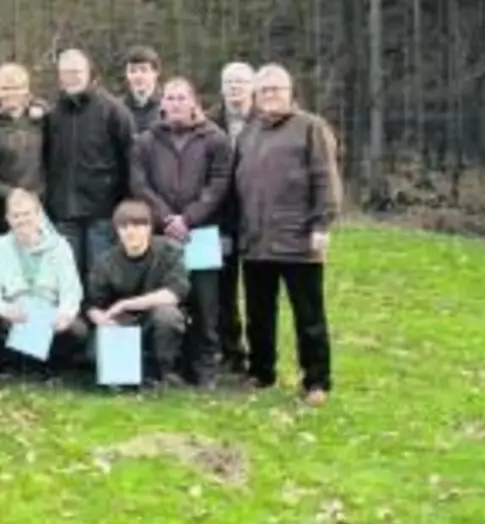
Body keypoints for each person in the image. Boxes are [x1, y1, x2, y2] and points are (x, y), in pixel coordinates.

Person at [235, 64, 342, 406]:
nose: (270, 96)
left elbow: (325, 178)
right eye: (264, 90)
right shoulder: (249, 133)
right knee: (258, 314)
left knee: (308, 316)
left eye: (276, 89)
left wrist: (322, 225)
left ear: (290, 91)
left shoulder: (311, 128)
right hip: (256, 241)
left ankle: (316, 381)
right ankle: (261, 372)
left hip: (298, 240)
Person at [128, 77, 234, 386]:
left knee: (205, 303)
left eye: (181, 98)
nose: (174, 104)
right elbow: (139, 184)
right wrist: (165, 218)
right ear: (162, 104)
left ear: (194, 103)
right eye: (169, 99)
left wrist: (188, 218)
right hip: (160, 234)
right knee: (164, 300)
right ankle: (167, 366)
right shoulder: (146, 141)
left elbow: (218, 185)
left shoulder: (215, 139)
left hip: (201, 232)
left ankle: (204, 368)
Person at [42, 47, 134, 288]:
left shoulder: (114, 111)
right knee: (68, 277)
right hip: (64, 212)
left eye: (76, 71)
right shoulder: (53, 114)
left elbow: (130, 160)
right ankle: (75, 325)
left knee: (101, 276)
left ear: (89, 73)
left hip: (102, 213)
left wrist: (122, 203)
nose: (70, 77)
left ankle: (102, 323)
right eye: (65, 72)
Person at [0, 189, 86, 379]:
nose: (22, 220)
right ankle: (10, 365)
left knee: (78, 330)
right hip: (15, 315)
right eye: (16, 216)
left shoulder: (60, 246)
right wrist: (5, 310)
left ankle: (50, 367)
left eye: (27, 214)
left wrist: (65, 315)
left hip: (48, 316)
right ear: (8, 219)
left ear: (38, 214)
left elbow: (71, 291)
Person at [85, 200, 192, 389]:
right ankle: (130, 374)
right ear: (117, 231)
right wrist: (101, 319)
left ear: (149, 228)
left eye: (138, 225)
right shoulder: (106, 262)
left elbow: (175, 292)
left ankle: (162, 373)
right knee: (93, 353)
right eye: (124, 227)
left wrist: (126, 304)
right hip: (121, 323)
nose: (131, 232)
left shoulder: (169, 250)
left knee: (168, 316)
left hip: (154, 320)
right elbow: (91, 304)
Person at [0, 63, 45, 283]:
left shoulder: (41, 123)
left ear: (26, 90)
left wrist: (38, 195)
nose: (11, 93)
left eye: (16, 87)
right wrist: (10, 194)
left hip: (37, 214)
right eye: (5, 88)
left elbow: (51, 163)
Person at [207, 61, 255, 375]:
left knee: (256, 290)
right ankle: (229, 350)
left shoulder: (266, 121)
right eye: (229, 82)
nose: (235, 87)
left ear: (252, 86)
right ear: (222, 87)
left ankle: (259, 353)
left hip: (255, 218)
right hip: (218, 220)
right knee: (222, 290)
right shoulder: (209, 122)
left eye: (241, 82)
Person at [121, 44, 163, 133]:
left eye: (144, 70)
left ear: (156, 72)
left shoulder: (167, 106)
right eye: (132, 71)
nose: (138, 76)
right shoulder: (118, 109)